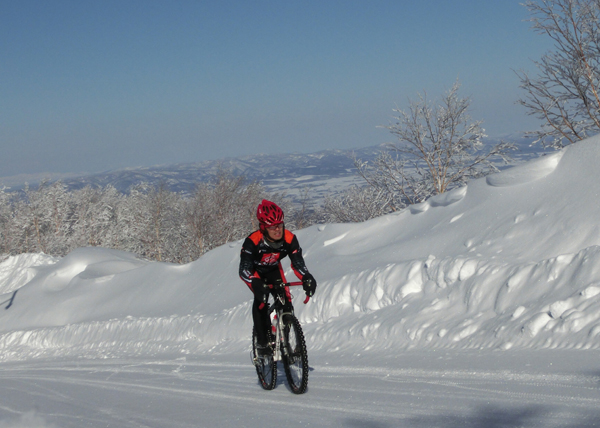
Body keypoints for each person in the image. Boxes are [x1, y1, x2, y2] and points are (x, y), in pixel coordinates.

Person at [239, 199, 317, 356]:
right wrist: (254, 282)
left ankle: (285, 341)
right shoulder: (252, 242)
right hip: (255, 273)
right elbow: (244, 270)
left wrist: (306, 276)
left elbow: (297, 262)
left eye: (280, 225)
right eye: (272, 227)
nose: (277, 230)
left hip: (274, 270)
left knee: (286, 301)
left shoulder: (289, 238)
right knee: (261, 299)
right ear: (263, 227)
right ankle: (262, 342)